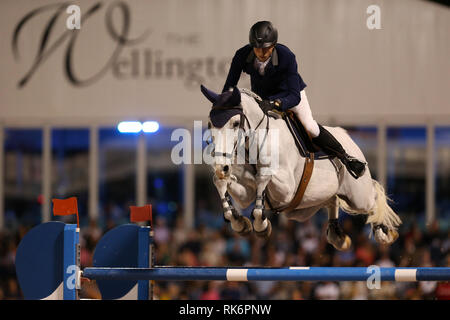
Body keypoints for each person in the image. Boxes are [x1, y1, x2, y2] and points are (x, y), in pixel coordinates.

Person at [222, 21, 366, 179]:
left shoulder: (286, 56)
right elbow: (229, 86)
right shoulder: (242, 55)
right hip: (262, 97)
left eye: (266, 49)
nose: (261, 53)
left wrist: (275, 104)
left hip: (289, 94)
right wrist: (224, 103)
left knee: (310, 126)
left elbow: (294, 96)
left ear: (274, 45)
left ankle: (346, 158)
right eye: (257, 48)